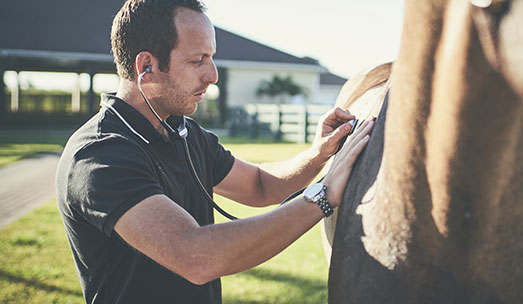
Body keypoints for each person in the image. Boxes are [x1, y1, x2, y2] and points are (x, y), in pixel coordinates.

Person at [54, 0, 374, 303]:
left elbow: (260, 184)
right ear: (146, 66)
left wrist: (318, 153)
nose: (213, 75)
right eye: (198, 60)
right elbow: (195, 256)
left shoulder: (185, 132)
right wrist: (323, 194)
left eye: (211, 57)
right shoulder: (99, 155)